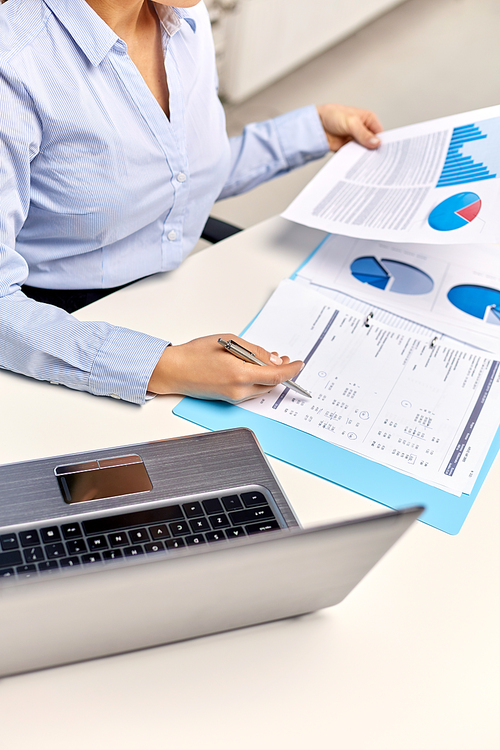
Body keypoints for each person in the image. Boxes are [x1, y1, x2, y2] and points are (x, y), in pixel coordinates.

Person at [0, 0, 383, 405]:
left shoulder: (184, 17)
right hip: (57, 329)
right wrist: (165, 367)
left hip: (174, 292)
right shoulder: (15, 68)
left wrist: (308, 133)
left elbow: (177, 178)